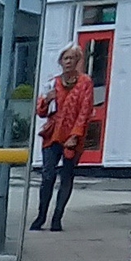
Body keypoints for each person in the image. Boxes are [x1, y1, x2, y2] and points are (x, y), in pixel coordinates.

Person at [33, 44, 98, 229]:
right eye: (65, 58)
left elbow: (85, 111)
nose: (68, 62)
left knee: (67, 176)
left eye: (72, 58)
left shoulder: (85, 82)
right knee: (47, 175)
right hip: (52, 134)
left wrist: (76, 135)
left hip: (72, 136)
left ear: (78, 61)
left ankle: (57, 218)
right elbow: (41, 112)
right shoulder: (53, 83)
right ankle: (41, 216)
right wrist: (46, 100)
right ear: (60, 61)